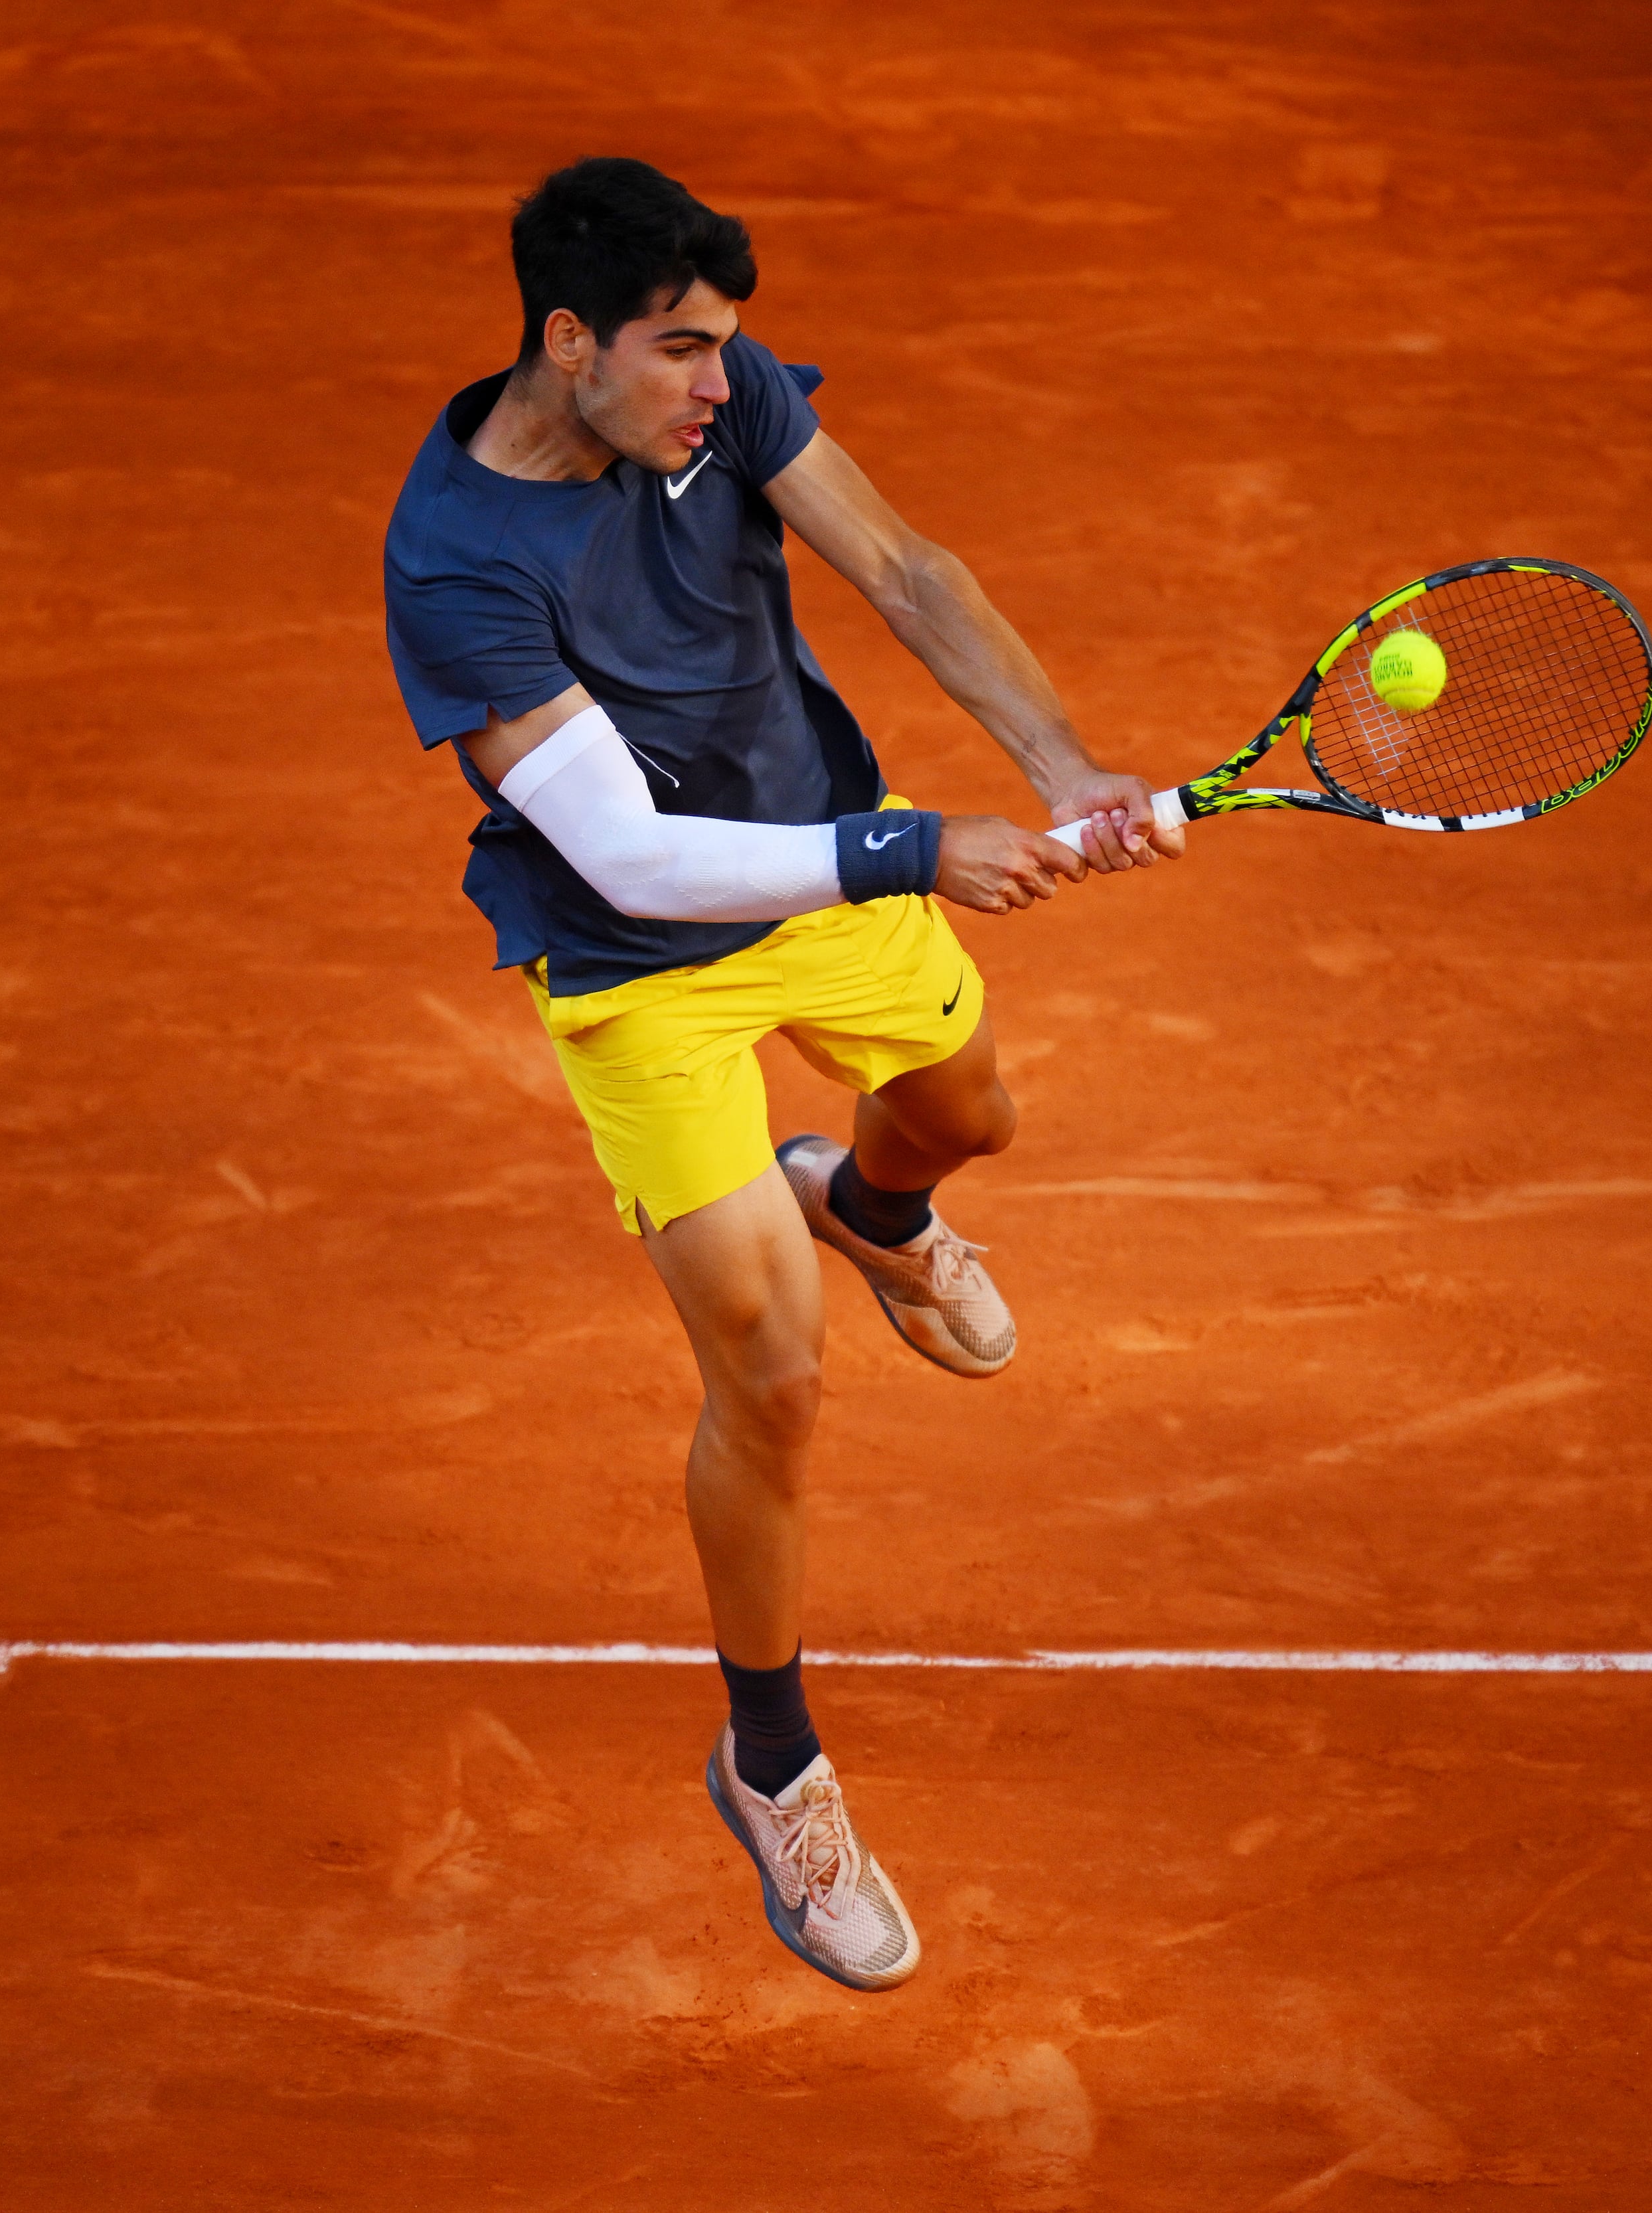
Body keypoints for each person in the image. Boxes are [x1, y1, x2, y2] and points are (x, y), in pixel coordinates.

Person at [381, 157, 1181, 1992]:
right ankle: (774, 1763)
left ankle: (872, 1203)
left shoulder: (720, 398)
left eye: (729, 348)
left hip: (817, 855)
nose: (720, 385)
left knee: (976, 1114)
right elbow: (640, 857)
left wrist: (1060, 768)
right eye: (678, 352)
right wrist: (916, 849)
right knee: (778, 1376)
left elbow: (900, 564)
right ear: (566, 343)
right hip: (644, 958)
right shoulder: (456, 561)